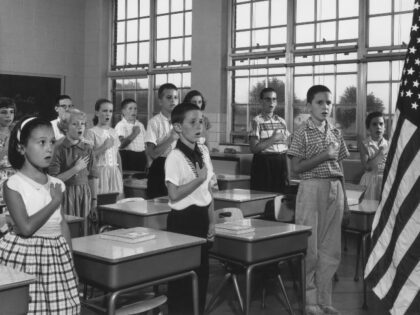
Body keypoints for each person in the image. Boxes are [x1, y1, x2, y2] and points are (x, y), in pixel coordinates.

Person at [0, 116, 80, 314]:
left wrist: (72, 265)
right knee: (29, 309)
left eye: (52, 142)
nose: (49, 148)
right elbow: (26, 228)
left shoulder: (57, 184)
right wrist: (54, 201)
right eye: (41, 142)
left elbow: (62, 226)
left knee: (62, 309)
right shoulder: (13, 185)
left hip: (56, 256)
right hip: (25, 256)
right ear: (21, 148)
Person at [288, 85, 349, 315]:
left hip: (335, 188)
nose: (325, 107)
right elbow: (295, 168)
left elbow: (340, 164)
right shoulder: (301, 132)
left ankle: (325, 300)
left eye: (329, 103)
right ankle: (309, 301)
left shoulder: (335, 131)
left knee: (331, 249)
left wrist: (344, 197)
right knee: (311, 249)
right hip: (311, 189)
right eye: (319, 102)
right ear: (309, 105)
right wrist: (324, 155)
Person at [165, 102, 216, 314]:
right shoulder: (174, 157)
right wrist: (199, 179)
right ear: (178, 127)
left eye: (201, 121)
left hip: (202, 217)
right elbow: (174, 194)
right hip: (182, 220)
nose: (199, 126)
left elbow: (209, 189)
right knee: (183, 278)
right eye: (192, 122)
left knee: (202, 275)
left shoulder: (203, 151)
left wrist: (212, 220)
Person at [49, 109, 98, 235]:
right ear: (65, 127)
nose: (80, 127)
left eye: (82, 124)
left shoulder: (88, 148)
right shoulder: (59, 148)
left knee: (85, 231)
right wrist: (75, 169)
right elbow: (54, 180)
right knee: (69, 231)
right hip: (66, 195)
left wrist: (94, 201)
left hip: (85, 194)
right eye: (75, 124)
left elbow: (93, 176)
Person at [249, 87, 290, 193]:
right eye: (268, 99)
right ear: (261, 102)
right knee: (264, 197)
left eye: (274, 99)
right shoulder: (257, 121)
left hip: (281, 162)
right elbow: (254, 148)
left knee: (280, 197)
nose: (271, 102)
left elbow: (287, 146)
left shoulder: (281, 121)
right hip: (264, 163)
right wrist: (274, 139)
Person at [145, 83, 179, 198]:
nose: (173, 101)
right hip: (160, 168)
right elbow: (153, 154)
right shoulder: (154, 122)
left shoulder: (182, 121)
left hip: (178, 166)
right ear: (160, 101)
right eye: (168, 97)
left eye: (175, 97)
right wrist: (171, 138)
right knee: (157, 206)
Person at [86, 99, 123, 196]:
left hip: (114, 173)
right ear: (97, 113)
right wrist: (104, 146)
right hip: (99, 173)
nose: (108, 114)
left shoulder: (113, 132)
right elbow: (88, 157)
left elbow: (117, 156)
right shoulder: (91, 132)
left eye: (110, 111)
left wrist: (120, 175)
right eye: (104, 111)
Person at [359, 111, 388, 202]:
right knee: (369, 207)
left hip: (385, 180)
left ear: (384, 128)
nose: (378, 127)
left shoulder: (389, 144)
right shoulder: (365, 144)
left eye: (381, 124)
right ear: (368, 129)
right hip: (370, 181)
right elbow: (367, 167)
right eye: (374, 124)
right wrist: (380, 154)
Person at [115, 98, 147, 172]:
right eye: (130, 108)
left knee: (140, 181)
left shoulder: (140, 125)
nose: (133, 111)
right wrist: (134, 133)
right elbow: (121, 144)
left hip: (141, 156)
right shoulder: (120, 125)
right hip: (127, 156)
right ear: (123, 111)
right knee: (128, 181)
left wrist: (148, 160)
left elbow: (145, 144)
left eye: (135, 109)